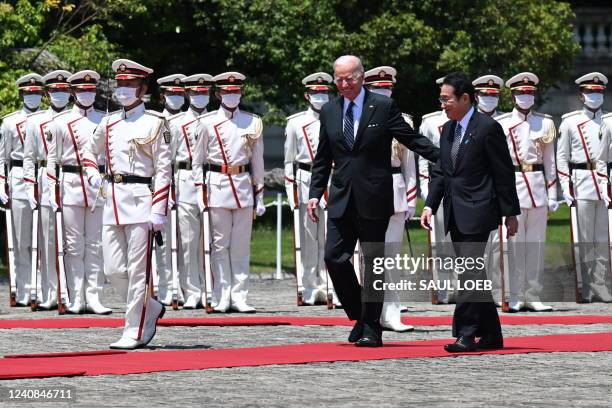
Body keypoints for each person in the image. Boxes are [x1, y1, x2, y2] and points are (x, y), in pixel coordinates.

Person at [308, 55, 439, 347]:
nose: (343, 84)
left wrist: (446, 159)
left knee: (373, 265)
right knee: (334, 258)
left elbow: (411, 139)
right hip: (342, 197)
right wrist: (314, 194)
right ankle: (362, 316)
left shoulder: (382, 106)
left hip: (375, 197)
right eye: (338, 79)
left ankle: (372, 329)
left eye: (349, 79)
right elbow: (323, 157)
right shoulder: (330, 110)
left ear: (361, 76)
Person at [421, 71, 520, 352]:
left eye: (446, 99)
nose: (443, 105)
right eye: (441, 100)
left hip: (479, 211)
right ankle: (491, 334)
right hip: (454, 211)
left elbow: (503, 174)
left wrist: (510, 213)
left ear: (465, 98)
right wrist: (430, 205)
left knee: (468, 271)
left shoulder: (488, 128)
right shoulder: (448, 129)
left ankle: (466, 333)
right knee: (472, 273)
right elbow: (441, 172)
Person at [82, 59, 170, 349]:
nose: (123, 90)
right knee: (113, 269)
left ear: (143, 88)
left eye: (130, 85)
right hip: (113, 200)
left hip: (143, 201)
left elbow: (164, 169)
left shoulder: (156, 123)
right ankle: (152, 307)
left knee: (138, 272)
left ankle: (133, 329)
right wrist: (95, 178)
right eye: (120, 84)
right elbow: (88, 154)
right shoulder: (108, 122)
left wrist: (159, 209)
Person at [192, 71, 266, 313]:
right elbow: (197, 161)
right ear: (218, 94)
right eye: (226, 91)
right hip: (217, 185)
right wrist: (199, 191)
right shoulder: (206, 122)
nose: (231, 95)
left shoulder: (253, 122)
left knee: (241, 245)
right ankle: (222, 294)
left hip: (243, 186)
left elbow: (258, 161)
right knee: (220, 244)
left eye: (235, 91)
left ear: (241, 93)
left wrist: (260, 194)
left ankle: (240, 295)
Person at [45, 70, 111, 315]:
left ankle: (94, 296)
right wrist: (52, 188)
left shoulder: (104, 120)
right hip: (71, 182)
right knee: (73, 245)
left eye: (91, 89)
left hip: (96, 185)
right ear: (73, 92)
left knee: (95, 244)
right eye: (82, 90)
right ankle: (76, 296)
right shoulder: (60, 122)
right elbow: (52, 159)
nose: (87, 94)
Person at [496, 72, 558, 312]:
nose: (526, 96)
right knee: (514, 245)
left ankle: (533, 294)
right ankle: (515, 294)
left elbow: (550, 162)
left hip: (538, 188)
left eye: (530, 93)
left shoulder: (545, 123)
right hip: (513, 187)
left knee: (536, 245)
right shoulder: (502, 124)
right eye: (521, 93)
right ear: (513, 95)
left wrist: (553, 194)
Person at [363, 65, 416, 333]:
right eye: (378, 88)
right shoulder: (356, 115)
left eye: (387, 88)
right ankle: (370, 314)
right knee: (370, 257)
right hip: (366, 192)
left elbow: (409, 163)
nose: (384, 92)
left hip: (395, 190)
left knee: (391, 257)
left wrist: (412, 197)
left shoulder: (403, 120)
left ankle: (392, 312)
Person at [559, 73, 612, 303]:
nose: (595, 96)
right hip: (581, 181)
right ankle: (585, 284)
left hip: (604, 183)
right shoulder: (570, 122)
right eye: (590, 92)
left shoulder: (610, 121)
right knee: (584, 237)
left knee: (602, 237)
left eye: (598, 92)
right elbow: (562, 158)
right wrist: (565, 187)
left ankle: (600, 284)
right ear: (581, 96)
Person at [23, 70, 73, 310]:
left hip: (74, 179)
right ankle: (51, 292)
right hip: (46, 180)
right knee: (47, 240)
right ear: (47, 93)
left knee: (74, 241)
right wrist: (29, 186)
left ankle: (73, 292)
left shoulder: (79, 119)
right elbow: (29, 158)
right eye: (55, 90)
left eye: (64, 90)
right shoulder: (35, 122)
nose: (59, 94)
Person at [284, 72, 333, 306]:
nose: (320, 96)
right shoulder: (295, 123)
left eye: (324, 92)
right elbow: (288, 160)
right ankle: (310, 286)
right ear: (307, 95)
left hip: (333, 180)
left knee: (331, 237)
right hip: (306, 179)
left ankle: (329, 285)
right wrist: (290, 191)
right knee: (309, 239)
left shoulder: (337, 117)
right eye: (316, 93)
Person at [166, 73, 214, 308]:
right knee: (188, 240)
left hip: (214, 178)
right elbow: (168, 160)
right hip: (184, 179)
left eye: (204, 93)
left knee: (214, 239)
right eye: (195, 93)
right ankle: (192, 289)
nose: (200, 97)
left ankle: (213, 288)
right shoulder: (175, 124)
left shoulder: (216, 120)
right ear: (188, 94)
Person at [0, 73, 44, 306]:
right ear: (21, 94)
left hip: (44, 177)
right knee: (21, 239)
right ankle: (24, 287)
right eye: (29, 94)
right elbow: (2, 157)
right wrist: (1, 184)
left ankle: (45, 288)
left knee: (46, 238)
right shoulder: (9, 122)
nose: (33, 97)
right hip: (17, 179)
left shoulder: (51, 119)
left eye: (37, 93)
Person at [418, 77, 455, 304]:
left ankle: (464, 286)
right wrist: (425, 190)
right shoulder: (430, 122)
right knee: (441, 242)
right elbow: (423, 160)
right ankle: (444, 287)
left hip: (462, 190)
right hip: (438, 187)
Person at [473, 74, 506, 306]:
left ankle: (496, 292)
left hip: (494, 192)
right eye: (485, 95)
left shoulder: (506, 122)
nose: (489, 99)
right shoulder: (467, 121)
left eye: (493, 95)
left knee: (496, 248)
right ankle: (473, 294)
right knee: (473, 251)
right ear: (476, 97)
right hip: (472, 193)